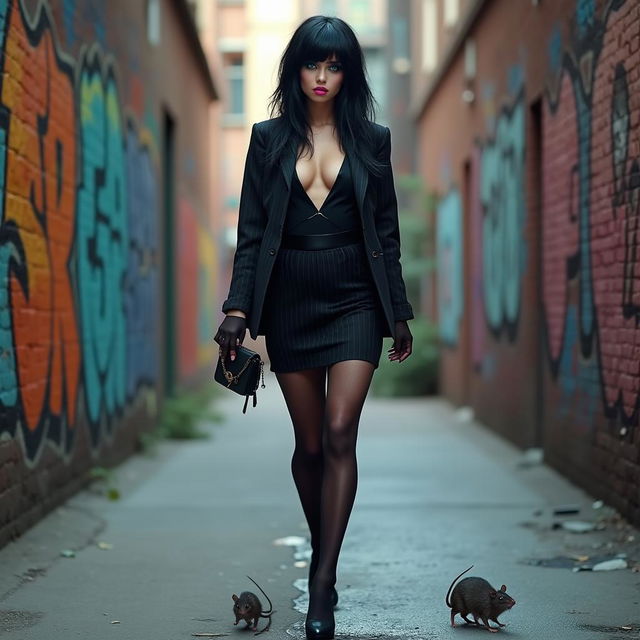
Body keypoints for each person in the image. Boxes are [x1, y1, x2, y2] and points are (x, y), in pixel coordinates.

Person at [214, 15, 413, 640]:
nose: (322, 77)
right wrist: (238, 309)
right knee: (307, 447)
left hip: (356, 296)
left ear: (348, 72)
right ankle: (323, 541)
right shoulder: (267, 138)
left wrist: (397, 312)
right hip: (292, 296)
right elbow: (251, 232)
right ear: (294, 69)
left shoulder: (372, 139)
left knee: (338, 431)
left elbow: (385, 233)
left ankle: (322, 581)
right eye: (311, 64)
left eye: (334, 65)